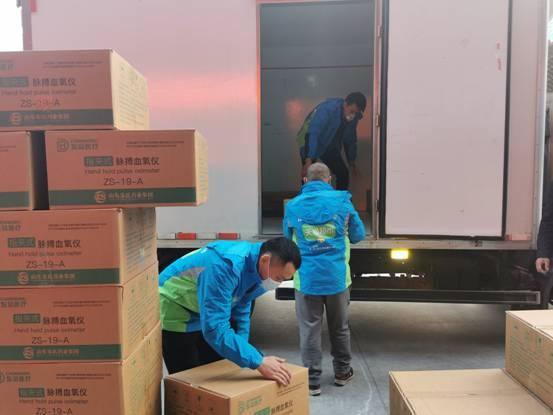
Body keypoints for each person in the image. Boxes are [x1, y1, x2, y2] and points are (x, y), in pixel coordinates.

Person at [159, 237, 301, 386]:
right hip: (175, 308)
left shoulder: (257, 267)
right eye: (278, 278)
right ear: (265, 260)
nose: (278, 283)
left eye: (283, 280)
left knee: (216, 372)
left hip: (203, 309)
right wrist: (258, 361)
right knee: (187, 380)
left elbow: (243, 304)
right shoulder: (225, 267)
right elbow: (214, 328)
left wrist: (244, 349)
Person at [283, 162, 366, 396]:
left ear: (305, 181)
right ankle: (342, 373)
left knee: (309, 330)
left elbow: (287, 241)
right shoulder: (343, 202)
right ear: (329, 180)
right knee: (340, 328)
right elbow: (358, 235)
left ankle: (312, 382)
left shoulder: (293, 206)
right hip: (337, 278)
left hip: (307, 280)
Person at [297, 92, 367, 190]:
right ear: (345, 104)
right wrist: (308, 160)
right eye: (352, 111)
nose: (353, 116)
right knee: (309, 175)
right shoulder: (327, 109)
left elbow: (350, 140)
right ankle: (309, 198)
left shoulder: (353, 118)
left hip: (329, 144)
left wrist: (352, 163)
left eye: (356, 113)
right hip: (309, 140)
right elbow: (313, 133)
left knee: (343, 173)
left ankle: (339, 199)